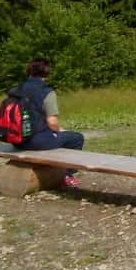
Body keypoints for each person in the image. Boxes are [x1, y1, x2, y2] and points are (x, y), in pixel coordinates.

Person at [13, 58, 84, 187]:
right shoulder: (46, 92)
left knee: (56, 136)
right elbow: (52, 123)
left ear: (29, 72)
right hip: (36, 141)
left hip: (17, 140)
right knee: (76, 138)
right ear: (46, 73)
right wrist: (60, 130)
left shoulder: (16, 90)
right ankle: (67, 175)